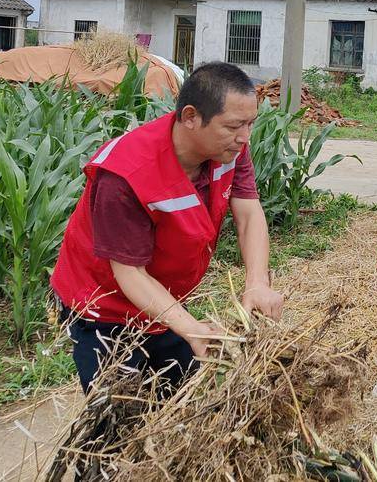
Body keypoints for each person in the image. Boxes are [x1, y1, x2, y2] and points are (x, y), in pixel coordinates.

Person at [51, 62, 284, 394]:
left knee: (178, 401)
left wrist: (258, 282)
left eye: (250, 124)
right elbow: (129, 273)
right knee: (118, 416)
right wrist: (191, 327)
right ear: (190, 117)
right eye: (234, 125)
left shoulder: (229, 150)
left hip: (164, 298)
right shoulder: (125, 175)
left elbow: (248, 212)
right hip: (104, 306)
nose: (244, 138)